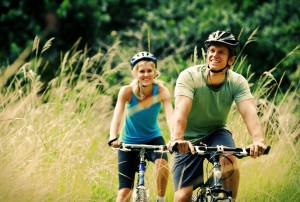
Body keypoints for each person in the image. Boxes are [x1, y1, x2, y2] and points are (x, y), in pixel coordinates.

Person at [171, 30, 267, 201]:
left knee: (229, 160)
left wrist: (258, 140)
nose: (215, 55)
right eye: (212, 51)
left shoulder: (237, 82)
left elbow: (249, 112)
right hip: (186, 140)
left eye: (221, 52)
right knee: (182, 197)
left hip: (216, 133)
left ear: (231, 60)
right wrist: (178, 139)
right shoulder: (189, 76)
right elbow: (180, 109)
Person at [108, 51, 173, 202]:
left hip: (153, 138)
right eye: (141, 71)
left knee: (162, 163)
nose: (146, 75)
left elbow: (171, 117)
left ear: (155, 72)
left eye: (149, 71)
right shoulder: (127, 91)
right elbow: (117, 116)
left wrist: (174, 138)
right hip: (129, 141)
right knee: (124, 193)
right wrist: (113, 137)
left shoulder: (162, 91)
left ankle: (161, 199)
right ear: (135, 73)